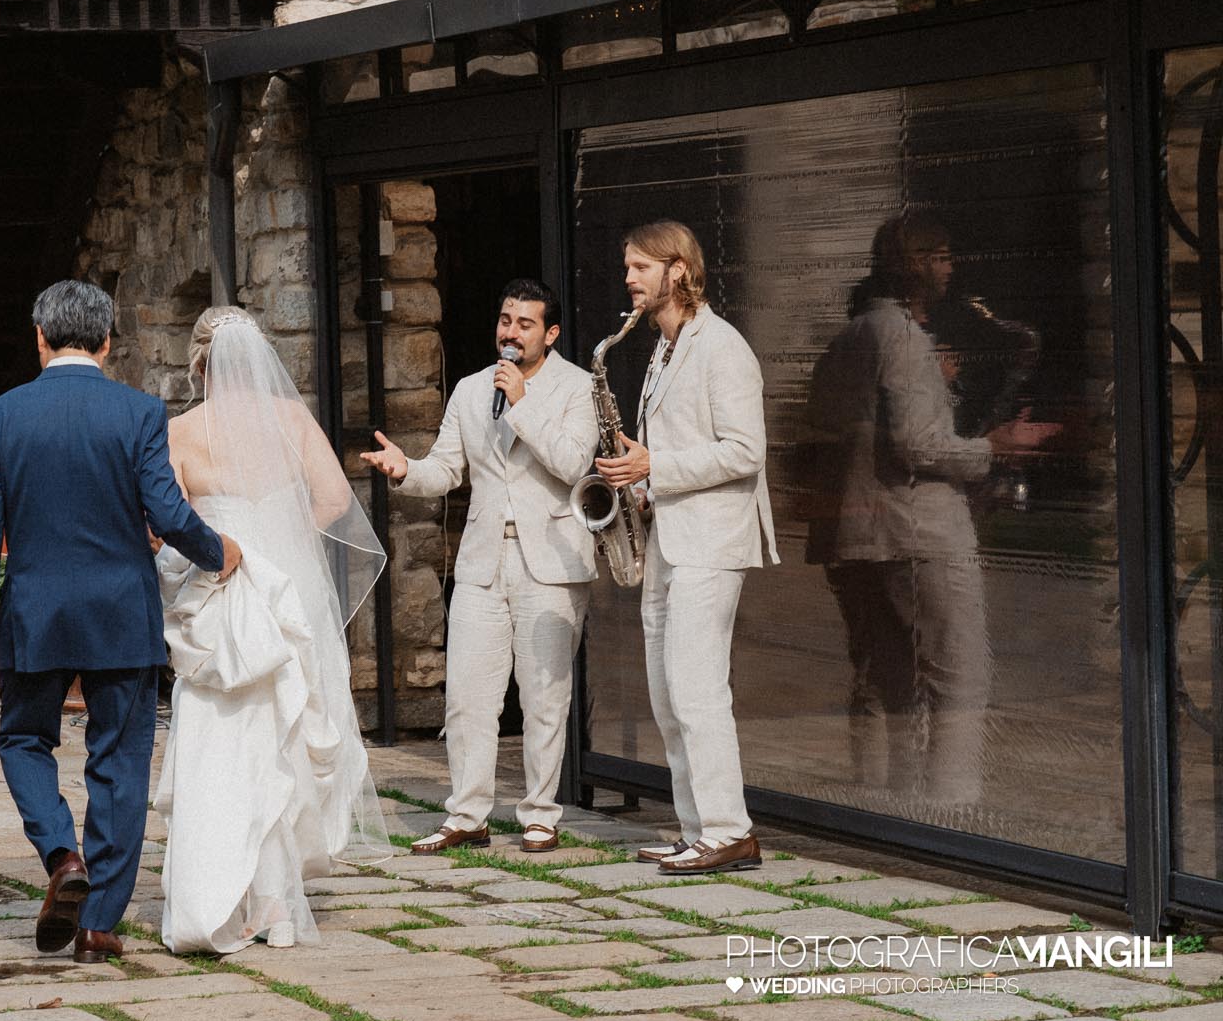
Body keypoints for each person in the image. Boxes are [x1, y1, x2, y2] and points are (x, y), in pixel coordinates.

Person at [0, 280, 242, 965]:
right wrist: (217, 551)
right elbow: (168, 514)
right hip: (120, 610)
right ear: (108, 342)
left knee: (23, 739)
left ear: (40, 337)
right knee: (121, 760)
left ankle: (61, 854)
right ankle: (100, 921)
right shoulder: (139, 412)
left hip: (35, 611)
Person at [154, 306, 389, 953]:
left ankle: (249, 896)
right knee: (288, 742)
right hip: (291, 598)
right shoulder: (291, 419)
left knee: (232, 745)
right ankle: (281, 906)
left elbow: (165, 524)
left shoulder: (181, 430)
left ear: (200, 364)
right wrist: (286, 536)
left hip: (226, 598)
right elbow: (337, 500)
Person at [804, 214, 1051, 808]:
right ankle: (951, 810)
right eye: (937, 256)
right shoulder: (904, 338)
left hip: (860, 534)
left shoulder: (850, 337)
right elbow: (917, 445)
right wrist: (997, 446)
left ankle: (888, 804)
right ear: (910, 265)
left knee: (889, 681)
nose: (949, 267)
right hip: (918, 533)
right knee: (958, 678)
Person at [361, 279, 600, 856]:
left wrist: (524, 403)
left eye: (524, 324)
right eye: (505, 319)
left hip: (552, 562)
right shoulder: (470, 390)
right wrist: (404, 471)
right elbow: (447, 469)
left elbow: (573, 465)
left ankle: (541, 813)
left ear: (551, 333)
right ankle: (468, 814)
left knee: (544, 694)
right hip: (481, 562)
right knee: (468, 696)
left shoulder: (579, 387)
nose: (510, 332)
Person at [595, 221, 775, 875]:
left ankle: (731, 829)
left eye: (639, 267)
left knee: (698, 688)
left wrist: (657, 463)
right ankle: (697, 825)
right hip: (671, 535)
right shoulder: (663, 349)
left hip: (711, 541)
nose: (629, 279)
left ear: (677, 269)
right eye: (627, 268)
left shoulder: (721, 347)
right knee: (667, 690)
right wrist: (638, 483)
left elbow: (745, 449)